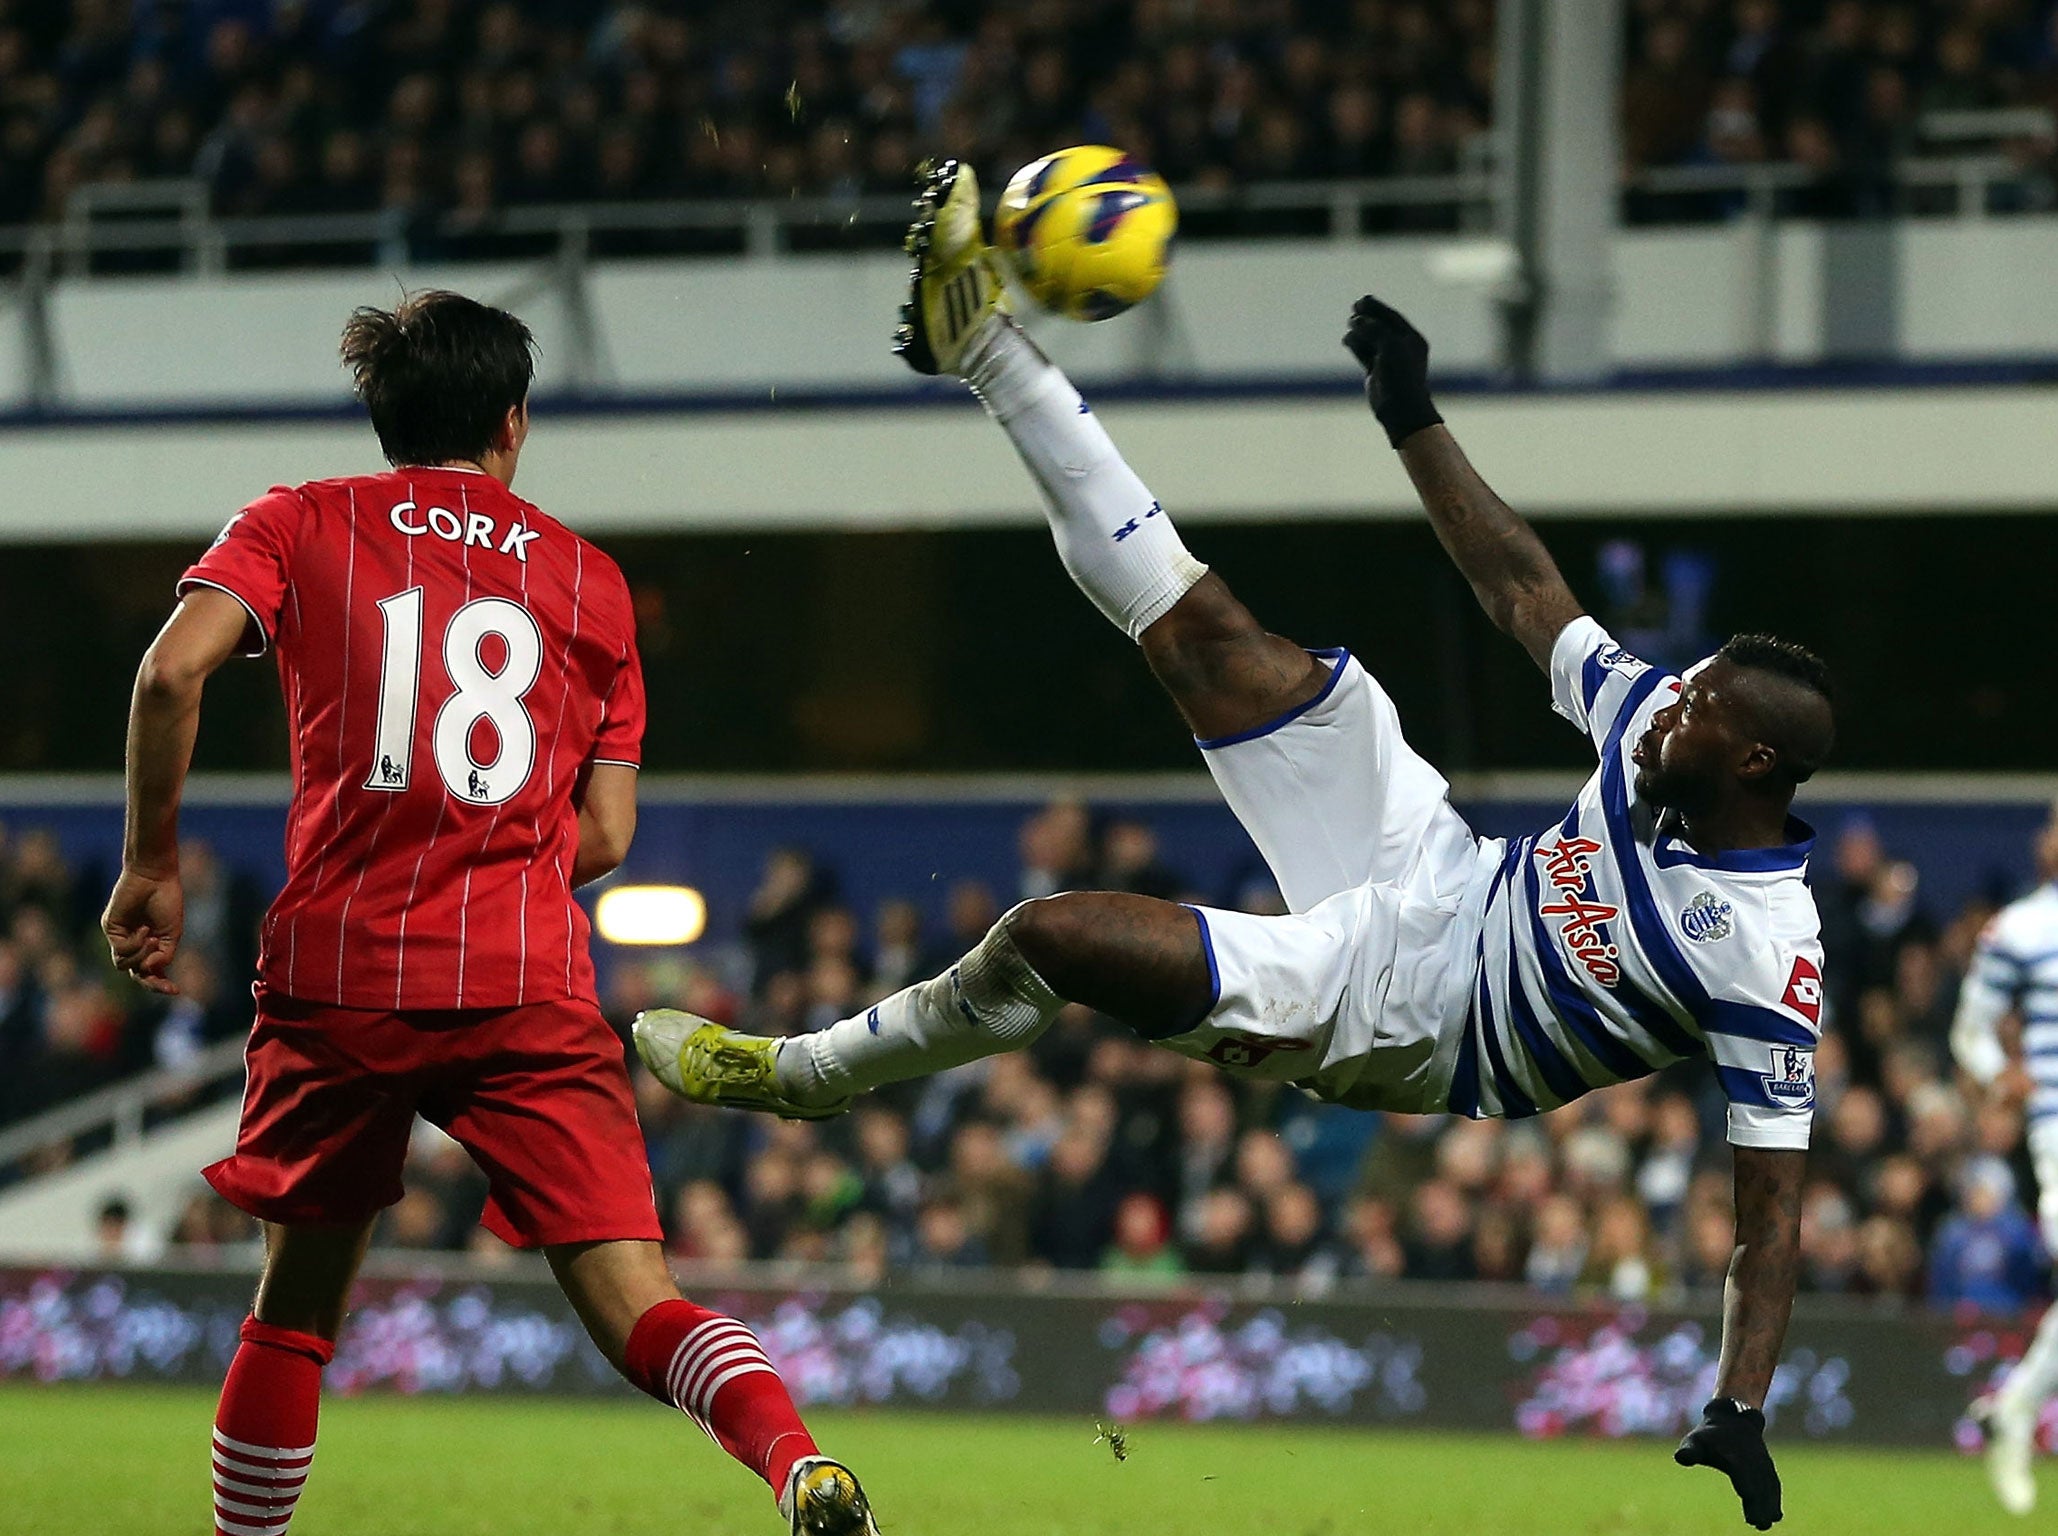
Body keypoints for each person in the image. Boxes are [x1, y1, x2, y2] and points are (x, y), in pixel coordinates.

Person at [642, 163, 1838, 1529]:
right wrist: (1411, 416)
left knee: (1054, 936)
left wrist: (1741, 1404)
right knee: (1214, 640)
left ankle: (799, 1076)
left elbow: (1771, 1209)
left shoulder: (1763, 952)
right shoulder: (1647, 731)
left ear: (1751, 759)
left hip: (1413, 1016)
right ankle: (982, 346)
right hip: (1439, 872)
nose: (1665, 693)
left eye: (1698, 704)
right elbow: (1520, 586)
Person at [99, 291, 876, 1536]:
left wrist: (151, 866)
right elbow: (609, 835)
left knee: (295, 1311)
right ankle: (796, 1463)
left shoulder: (298, 522)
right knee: (638, 1298)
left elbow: (169, 672)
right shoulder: (592, 582)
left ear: (383, 419)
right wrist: (491, 871)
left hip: (337, 973)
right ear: (512, 423)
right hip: (522, 976)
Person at [1954, 799, 2058, 1516]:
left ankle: (2016, 1404)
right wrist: (1998, 1075)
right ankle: (2018, 1407)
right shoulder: (2020, 928)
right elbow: (1971, 1029)